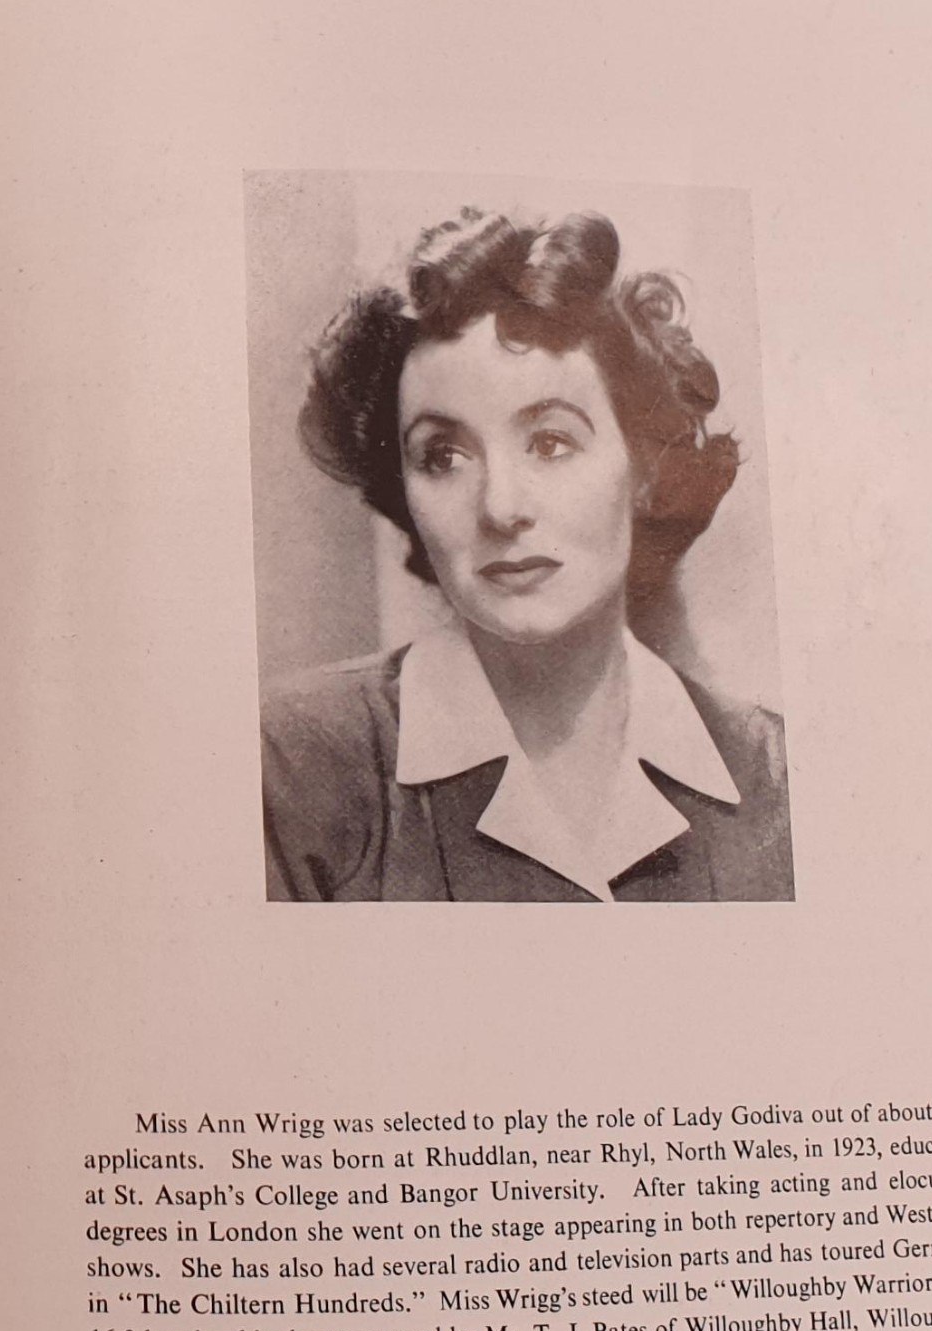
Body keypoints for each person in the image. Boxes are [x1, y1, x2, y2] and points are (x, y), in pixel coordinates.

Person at [261, 208, 793, 902]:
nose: (500, 507)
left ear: (645, 467)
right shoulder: (296, 765)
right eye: (443, 456)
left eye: (550, 442)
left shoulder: (777, 774)